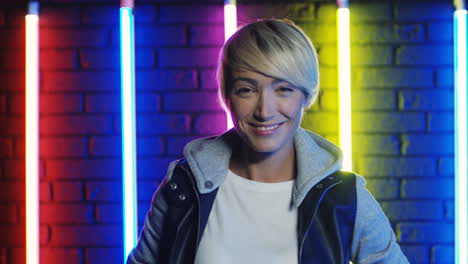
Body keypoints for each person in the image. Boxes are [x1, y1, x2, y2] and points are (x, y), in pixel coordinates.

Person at [126, 18, 409, 264]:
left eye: (284, 89)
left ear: (306, 96)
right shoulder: (183, 187)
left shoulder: (343, 196)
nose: (265, 110)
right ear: (227, 96)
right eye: (246, 90)